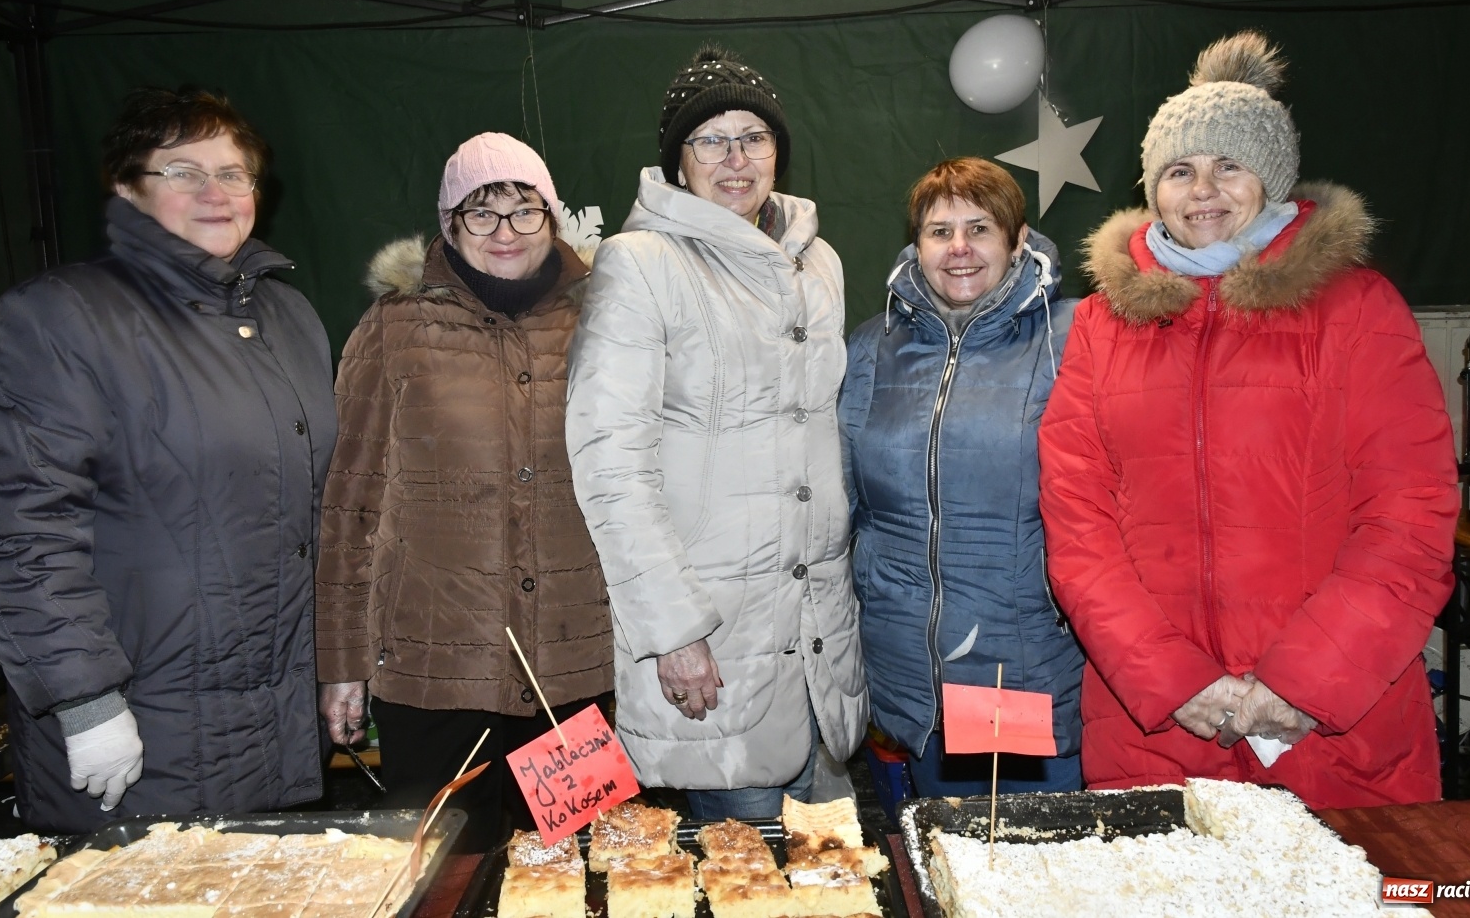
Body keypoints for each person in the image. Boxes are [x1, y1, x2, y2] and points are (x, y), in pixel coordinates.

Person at [1038, 31, 1457, 809]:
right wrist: (1174, 682)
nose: (1204, 189)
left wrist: (1297, 685)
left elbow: (1410, 518)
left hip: (1328, 733)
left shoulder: (1357, 309)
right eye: (1179, 170)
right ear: (1152, 186)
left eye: (1229, 165)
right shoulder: (1103, 324)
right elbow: (1077, 523)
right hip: (1157, 731)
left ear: (1271, 178)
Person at [0, 87, 336, 832]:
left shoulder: (289, 317)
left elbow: (312, 516)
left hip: (271, 726)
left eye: (234, 173)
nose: (216, 193)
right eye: (184, 172)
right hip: (138, 731)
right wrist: (85, 700)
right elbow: (18, 532)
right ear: (128, 188)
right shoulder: (61, 318)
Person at [565, 47, 867, 820]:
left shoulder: (818, 262)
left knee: (829, 882)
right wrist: (673, 631)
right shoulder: (641, 264)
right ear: (678, 160)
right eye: (711, 139)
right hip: (715, 637)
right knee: (740, 875)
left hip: (817, 639)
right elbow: (611, 464)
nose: (736, 158)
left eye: (754, 136)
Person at [315, 133, 612, 850]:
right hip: (433, 678)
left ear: (553, 217)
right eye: (482, 214)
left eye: (524, 210)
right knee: (445, 876)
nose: (505, 232)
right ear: (449, 225)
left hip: (575, 674)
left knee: (578, 871)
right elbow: (349, 506)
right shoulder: (393, 329)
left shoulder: (601, 321)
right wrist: (342, 664)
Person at [839, 157, 1084, 797]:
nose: (960, 249)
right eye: (939, 231)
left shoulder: (1075, 337)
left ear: (1018, 238)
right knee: (944, 872)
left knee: (1030, 878)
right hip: (908, 677)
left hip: (1022, 668)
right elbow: (842, 506)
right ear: (916, 245)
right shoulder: (870, 348)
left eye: (980, 227)